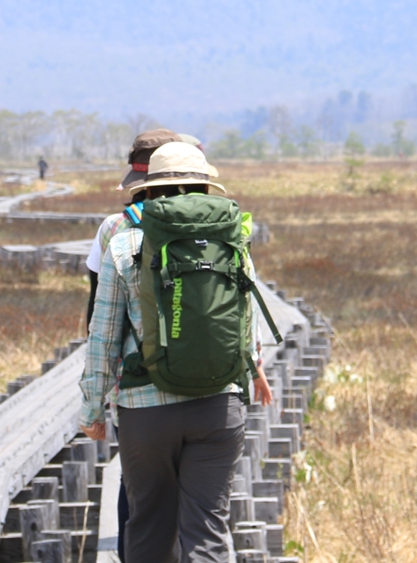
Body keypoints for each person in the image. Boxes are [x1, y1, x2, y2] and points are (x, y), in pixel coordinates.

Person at [80, 142, 275, 563]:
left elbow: (103, 335)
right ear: (205, 188)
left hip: (145, 410)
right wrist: (253, 371)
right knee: (207, 531)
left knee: (150, 529)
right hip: (219, 408)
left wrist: (93, 410)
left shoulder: (125, 241)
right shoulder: (233, 238)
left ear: (149, 189)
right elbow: (248, 327)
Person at [83, 128, 181, 329]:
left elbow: (98, 303)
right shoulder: (217, 222)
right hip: (208, 353)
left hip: (138, 353)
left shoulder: (114, 226)